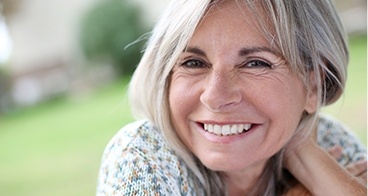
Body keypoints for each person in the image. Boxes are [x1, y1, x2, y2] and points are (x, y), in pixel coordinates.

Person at [97, 0, 367, 195]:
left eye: (255, 64)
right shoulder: (144, 155)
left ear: (314, 86)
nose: (215, 97)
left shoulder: (330, 142)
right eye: (193, 63)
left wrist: (303, 155)